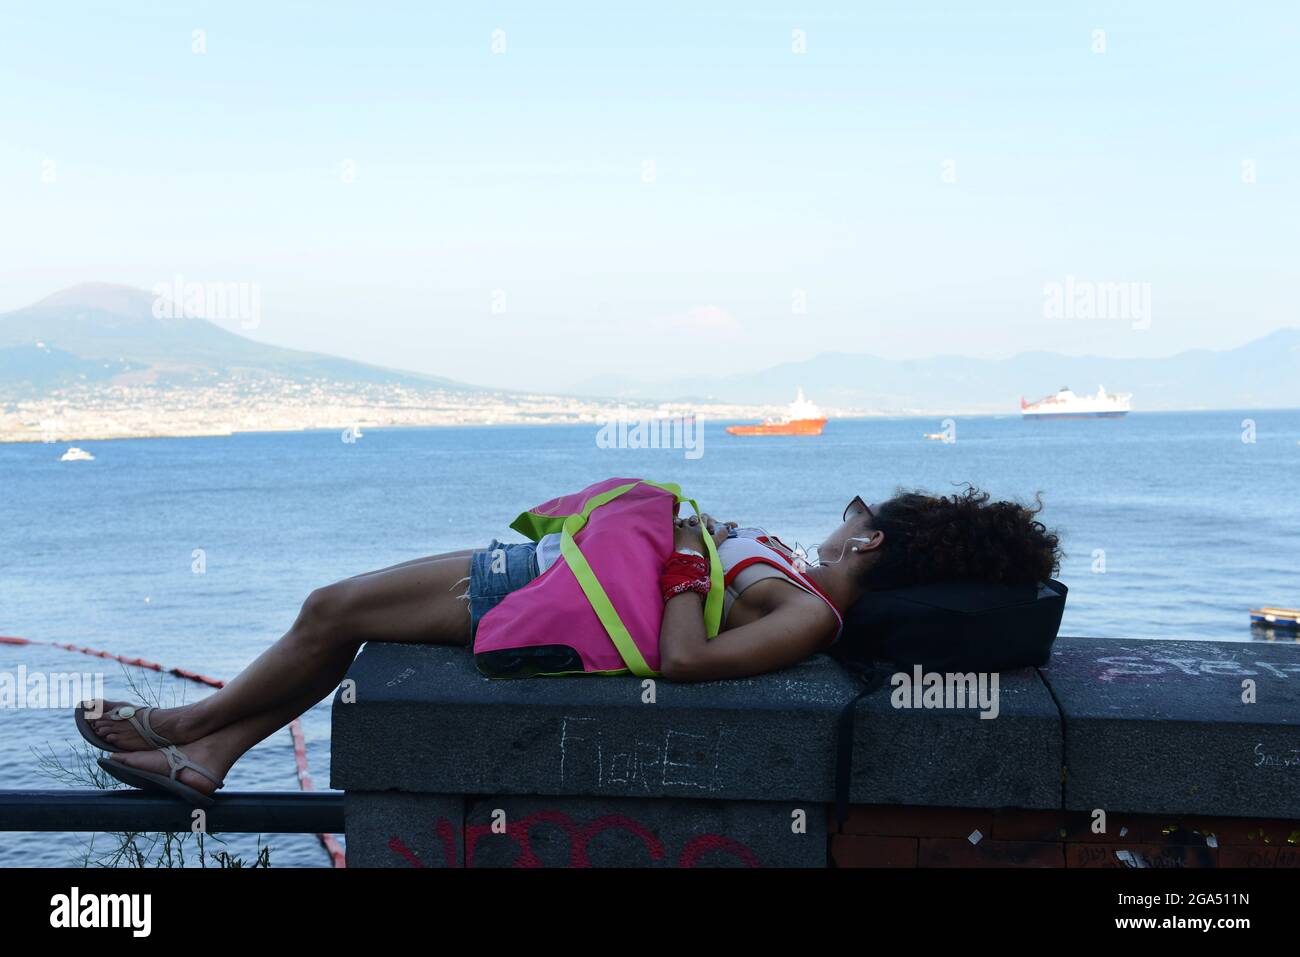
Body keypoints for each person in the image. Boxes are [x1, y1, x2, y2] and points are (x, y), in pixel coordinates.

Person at [78, 483, 1059, 803]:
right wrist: (699, 540)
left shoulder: (810, 613)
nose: (837, 523)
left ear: (873, 540)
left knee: (331, 609)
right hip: (558, 578)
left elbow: (682, 658)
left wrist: (683, 549)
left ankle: (196, 732)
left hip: (550, 605)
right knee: (330, 611)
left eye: (853, 517)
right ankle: (207, 746)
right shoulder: (796, 584)